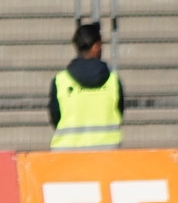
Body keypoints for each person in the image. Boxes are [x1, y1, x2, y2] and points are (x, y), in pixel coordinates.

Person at [48, 21, 124, 150]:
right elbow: (119, 114)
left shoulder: (60, 82)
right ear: (96, 46)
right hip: (106, 156)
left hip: (66, 157)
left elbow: (55, 119)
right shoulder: (113, 82)